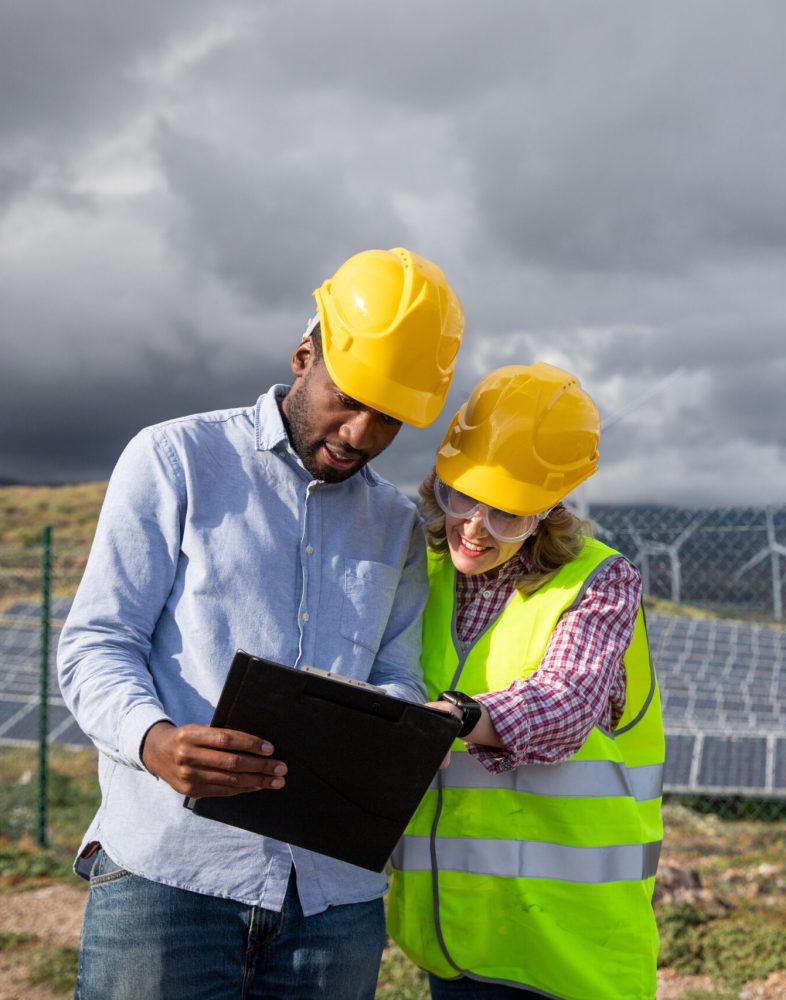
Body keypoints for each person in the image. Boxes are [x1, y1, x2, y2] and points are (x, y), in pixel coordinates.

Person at [57, 247, 465, 1000]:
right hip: (171, 878)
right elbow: (97, 643)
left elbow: (399, 676)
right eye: (349, 399)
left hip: (332, 902)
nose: (361, 433)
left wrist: (398, 729)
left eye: (392, 419)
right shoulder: (174, 460)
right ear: (304, 355)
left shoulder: (400, 526)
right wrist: (156, 743)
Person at [387, 362, 666, 1000]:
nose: (474, 528)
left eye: (507, 514)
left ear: (547, 512)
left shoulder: (600, 582)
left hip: (568, 951)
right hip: (456, 935)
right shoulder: (416, 571)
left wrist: (458, 716)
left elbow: (566, 703)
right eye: (461, 497)